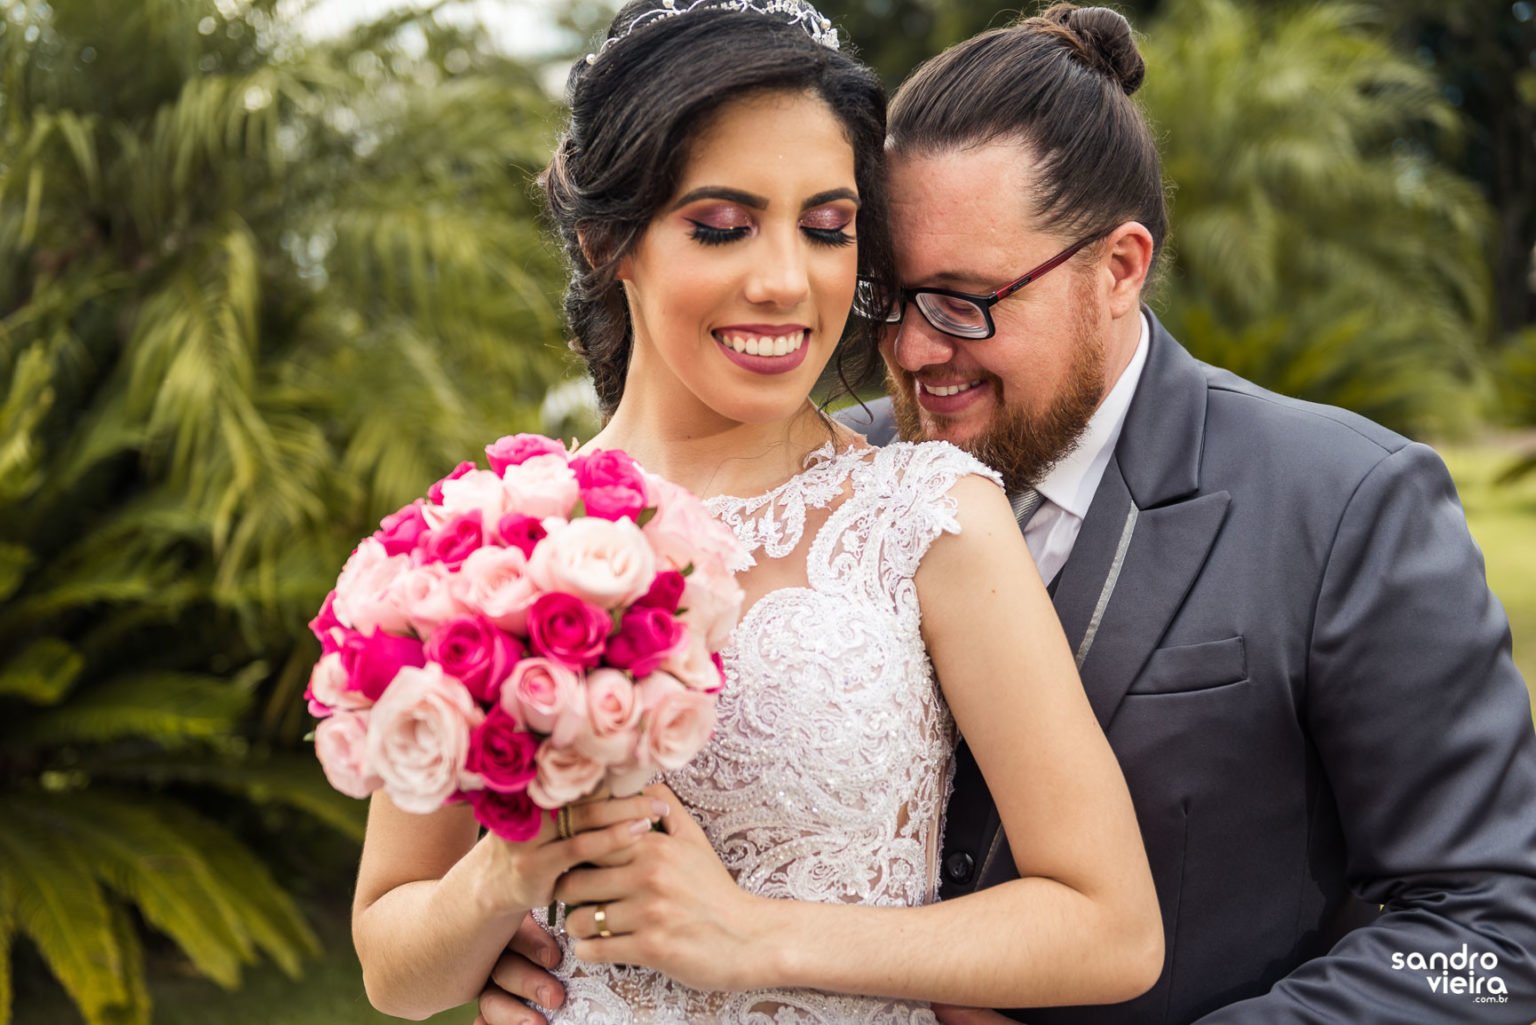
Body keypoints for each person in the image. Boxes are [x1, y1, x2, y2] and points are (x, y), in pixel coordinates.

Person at [479, 4, 1536, 1024]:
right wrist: (539, 939)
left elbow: (1498, 939)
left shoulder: (1345, 501)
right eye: (894, 296)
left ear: (1118, 269)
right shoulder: (838, 484)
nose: (912, 350)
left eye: (966, 301)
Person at [350, 1, 1163, 1023]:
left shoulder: (927, 515)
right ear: (612, 241)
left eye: (826, 228)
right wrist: (503, 875)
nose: (786, 281)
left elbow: (1110, 926)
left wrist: (752, 934)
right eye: (724, 226)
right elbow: (392, 964)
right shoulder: (493, 545)